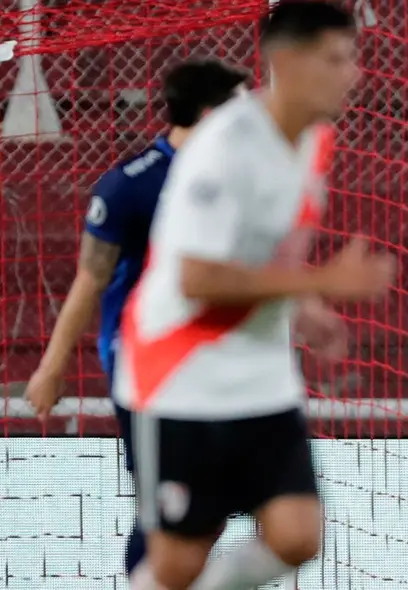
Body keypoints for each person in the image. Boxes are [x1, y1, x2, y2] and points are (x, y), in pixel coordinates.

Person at [113, 2, 397, 589]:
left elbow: (267, 257)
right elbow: (197, 279)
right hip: (180, 375)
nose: (354, 73)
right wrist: (321, 283)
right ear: (288, 63)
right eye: (337, 58)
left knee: (298, 535)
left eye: (353, 57)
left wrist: (307, 307)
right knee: (176, 566)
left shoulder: (316, 140)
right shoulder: (226, 145)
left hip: (263, 376)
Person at [24, 57, 249, 581]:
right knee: (166, 503)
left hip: (210, 360)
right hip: (145, 363)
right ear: (213, 113)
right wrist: (52, 367)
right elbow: (91, 278)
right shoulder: (130, 185)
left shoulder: (233, 184)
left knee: (206, 508)